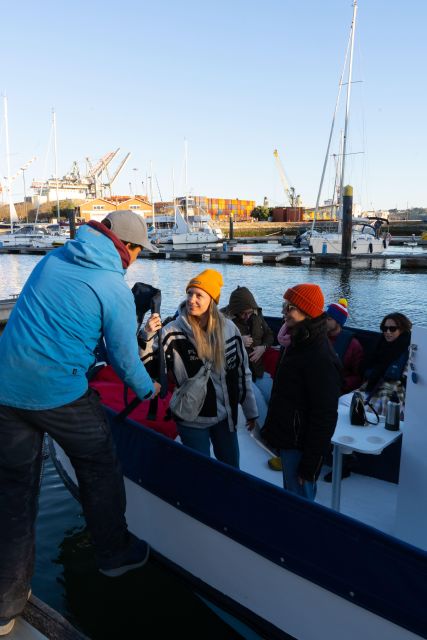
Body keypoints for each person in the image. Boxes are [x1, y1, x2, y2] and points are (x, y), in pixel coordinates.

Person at [0, 211, 161, 635]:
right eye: (140, 251)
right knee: (100, 466)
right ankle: (114, 553)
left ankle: (5, 606)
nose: (138, 259)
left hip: (5, 389)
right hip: (59, 393)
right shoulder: (113, 287)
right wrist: (149, 391)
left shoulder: (53, 259)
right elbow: (125, 360)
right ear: (126, 248)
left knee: (16, 497)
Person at [140, 269, 258, 468]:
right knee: (200, 471)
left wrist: (251, 411)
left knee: (231, 470)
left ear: (212, 301)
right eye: (189, 293)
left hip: (225, 417)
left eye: (199, 295)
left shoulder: (230, 330)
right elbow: (149, 366)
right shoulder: (171, 332)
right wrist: (147, 335)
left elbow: (242, 373)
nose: (191, 300)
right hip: (191, 418)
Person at [261, 283, 342, 500]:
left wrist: (310, 466)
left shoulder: (319, 355)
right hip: (289, 439)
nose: (283, 311)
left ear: (307, 312)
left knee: (300, 503)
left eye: (290, 308)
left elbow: (324, 416)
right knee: (291, 497)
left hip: (301, 446)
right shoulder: (296, 341)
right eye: (284, 305)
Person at [323, 298, 364, 482]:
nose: (325, 321)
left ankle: (344, 464)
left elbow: (359, 376)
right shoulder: (319, 339)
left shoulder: (353, 346)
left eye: (329, 318)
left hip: (339, 390)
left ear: (338, 322)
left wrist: (340, 385)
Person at [221, 286, 274, 403]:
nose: (247, 316)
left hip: (258, 371)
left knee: (274, 397)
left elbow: (269, 335)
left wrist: (263, 347)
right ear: (234, 311)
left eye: (249, 313)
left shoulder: (256, 314)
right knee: (259, 406)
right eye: (243, 314)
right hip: (238, 377)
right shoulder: (221, 320)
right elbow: (213, 346)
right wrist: (237, 341)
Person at [360, 312, 412, 417]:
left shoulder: (408, 350)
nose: (388, 332)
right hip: (372, 383)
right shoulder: (379, 345)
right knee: (346, 401)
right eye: (385, 328)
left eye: (392, 329)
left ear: (401, 329)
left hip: (394, 388)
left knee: (377, 409)